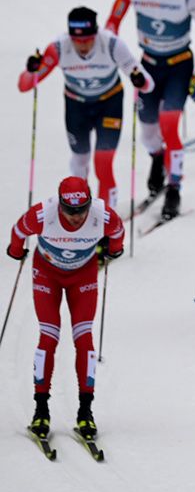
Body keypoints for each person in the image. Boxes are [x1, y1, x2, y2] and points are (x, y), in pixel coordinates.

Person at [106, 0, 195, 218]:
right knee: (147, 130)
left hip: (179, 64)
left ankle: (174, 188)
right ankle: (158, 159)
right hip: (147, 65)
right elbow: (111, 26)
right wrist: (123, 63)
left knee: (169, 126)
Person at [9, 177, 124, 443]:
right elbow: (18, 230)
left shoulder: (102, 214)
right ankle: (41, 410)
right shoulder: (42, 213)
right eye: (69, 211)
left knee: (83, 339)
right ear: (59, 204)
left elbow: (118, 231)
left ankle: (85, 411)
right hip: (47, 275)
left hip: (82, 277)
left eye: (81, 210)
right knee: (49, 337)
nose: (75, 217)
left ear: (89, 204)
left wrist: (114, 250)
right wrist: (16, 251)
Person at [19, 8, 154, 207]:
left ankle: (107, 216)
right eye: (77, 40)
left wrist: (139, 80)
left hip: (109, 104)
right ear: (69, 35)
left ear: (96, 33)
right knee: (80, 163)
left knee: (103, 164)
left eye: (88, 39)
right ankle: (81, 212)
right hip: (77, 107)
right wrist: (31, 70)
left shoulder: (111, 44)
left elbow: (148, 84)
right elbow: (25, 85)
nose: (82, 45)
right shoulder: (59, 48)